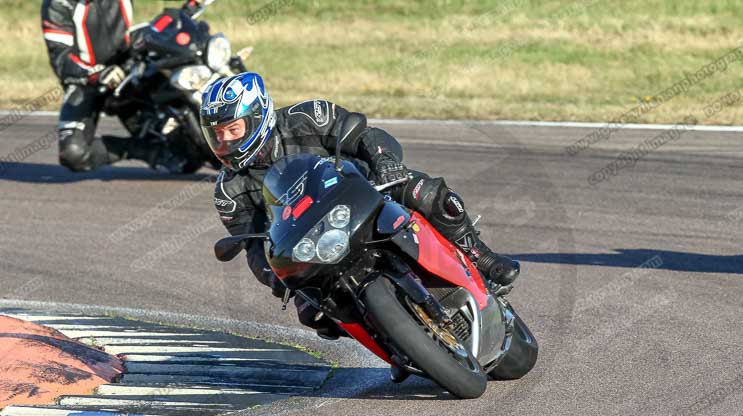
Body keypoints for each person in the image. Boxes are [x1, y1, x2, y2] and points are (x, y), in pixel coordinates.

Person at [201, 72, 520, 339]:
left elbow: (364, 134)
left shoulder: (305, 117)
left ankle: (479, 255)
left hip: (368, 196)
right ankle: (393, 343)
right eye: (217, 135)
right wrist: (283, 281)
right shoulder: (229, 191)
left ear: (257, 116)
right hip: (317, 246)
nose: (225, 142)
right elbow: (255, 248)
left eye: (233, 130)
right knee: (314, 315)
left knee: (425, 192)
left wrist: (385, 161)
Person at [41, 0, 199, 172]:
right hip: (87, 81)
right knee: (73, 154)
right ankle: (147, 151)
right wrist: (97, 74)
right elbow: (62, 60)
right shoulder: (58, 4)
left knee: (185, 51)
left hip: (129, 62)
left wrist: (191, 5)